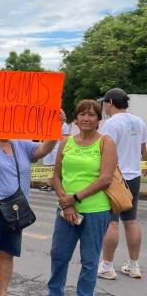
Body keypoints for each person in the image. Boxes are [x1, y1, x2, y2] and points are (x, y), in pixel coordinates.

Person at [0, 96, 65, 296]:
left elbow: (43, 149)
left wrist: (57, 125)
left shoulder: (22, 144)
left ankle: (2, 292)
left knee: (8, 254)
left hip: (15, 210)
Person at [47, 99, 117, 296]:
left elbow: (105, 179)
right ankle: (54, 292)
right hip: (66, 210)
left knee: (89, 260)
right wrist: (66, 203)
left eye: (92, 114)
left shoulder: (106, 143)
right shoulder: (65, 143)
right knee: (59, 255)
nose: (86, 118)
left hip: (96, 210)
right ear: (75, 119)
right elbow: (56, 176)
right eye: (82, 114)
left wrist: (74, 198)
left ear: (98, 120)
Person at [98, 88, 147, 279]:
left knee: (111, 223)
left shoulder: (110, 124)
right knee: (131, 221)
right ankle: (134, 266)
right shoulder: (138, 121)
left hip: (115, 177)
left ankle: (107, 266)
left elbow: (103, 151)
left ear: (110, 102)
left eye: (104, 103)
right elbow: (144, 150)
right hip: (134, 176)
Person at [40, 123, 71, 192]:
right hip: (47, 147)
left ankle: (60, 186)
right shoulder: (47, 123)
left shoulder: (64, 124)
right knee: (49, 166)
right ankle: (49, 185)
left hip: (57, 148)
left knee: (57, 167)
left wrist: (54, 134)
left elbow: (66, 137)